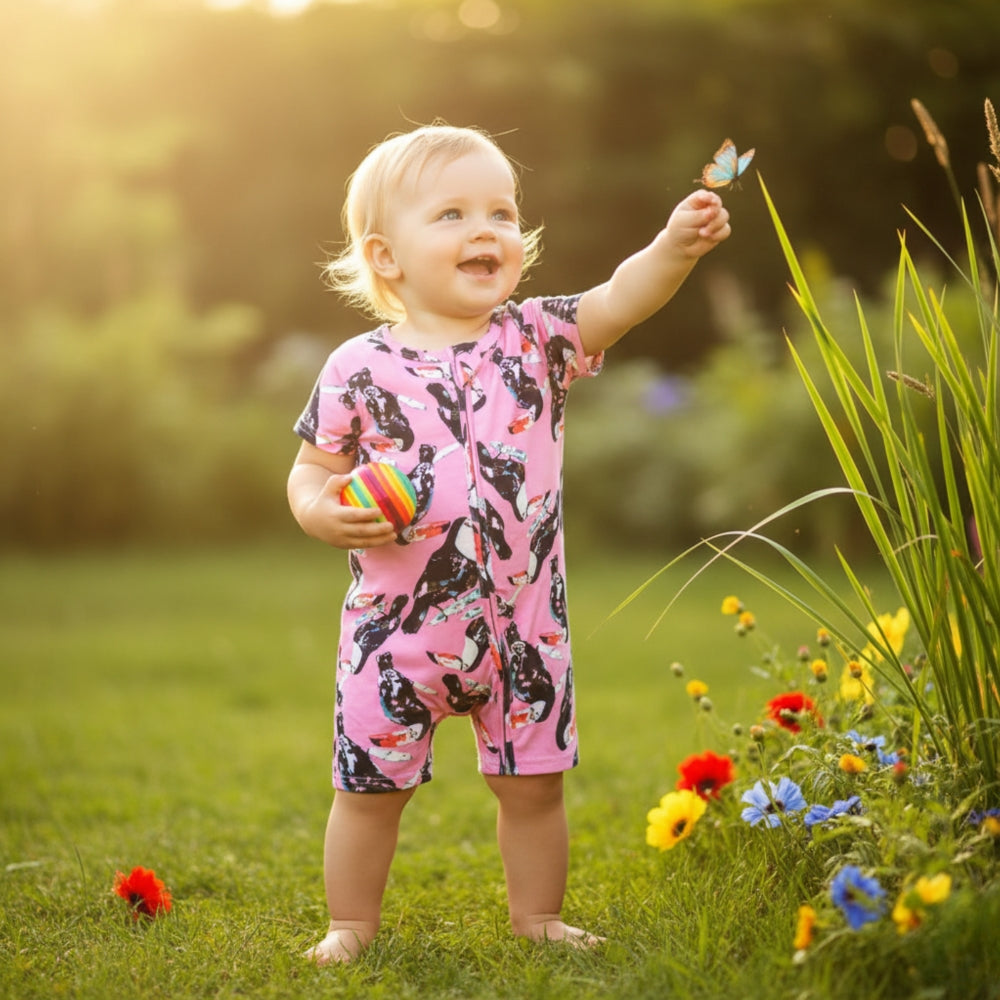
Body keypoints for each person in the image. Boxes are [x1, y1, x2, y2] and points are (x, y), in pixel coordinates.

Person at [287, 122, 731, 965]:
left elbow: (619, 297)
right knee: (368, 790)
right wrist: (321, 511)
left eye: (501, 210)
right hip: (396, 632)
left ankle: (539, 919)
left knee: (532, 786)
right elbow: (309, 470)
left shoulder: (535, 337)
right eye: (451, 213)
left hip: (525, 626)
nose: (485, 228)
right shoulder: (357, 367)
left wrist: (674, 247)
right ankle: (350, 925)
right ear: (386, 257)